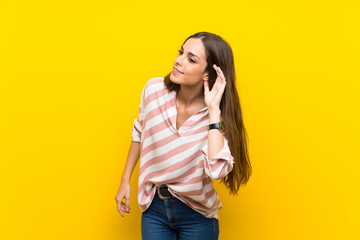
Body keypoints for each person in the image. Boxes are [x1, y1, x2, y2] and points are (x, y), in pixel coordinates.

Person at [115, 32, 252, 240]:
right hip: (154, 210)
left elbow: (216, 170)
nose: (178, 61)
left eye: (191, 59)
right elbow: (139, 132)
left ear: (207, 74)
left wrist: (214, 110)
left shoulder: (218, 118)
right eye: (181, 52)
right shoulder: (154, 90)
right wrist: (125, 180)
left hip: (198, 216)